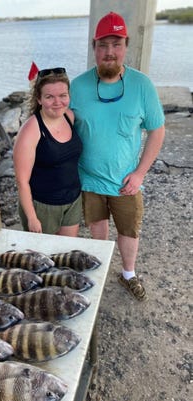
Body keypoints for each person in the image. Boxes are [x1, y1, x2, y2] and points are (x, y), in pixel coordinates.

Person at [70, 12, 165, 300]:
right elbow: (60, 126)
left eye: (116, 44)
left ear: (126, 45)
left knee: (128, 230)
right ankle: (99, 270)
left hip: (126, 181)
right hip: (88, 179)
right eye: (103, 45)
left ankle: (128, 273)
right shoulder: (77, 86)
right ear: (93, 46)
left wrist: (139, 173)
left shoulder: (142, 85)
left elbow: (157, 131)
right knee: (97, 225)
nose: (110, 52)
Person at [13, 67, 83, 236]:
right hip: (43, 206)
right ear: (39, 99)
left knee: (65, 253)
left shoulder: (70, 117)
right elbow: (22, 181)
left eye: (62, 96)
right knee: (42, 257)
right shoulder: (31, 130)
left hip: (73, 201)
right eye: (49, 97)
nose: (57, 102)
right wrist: (31, 217)